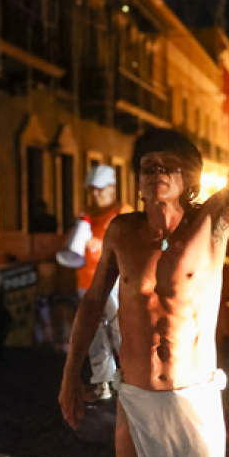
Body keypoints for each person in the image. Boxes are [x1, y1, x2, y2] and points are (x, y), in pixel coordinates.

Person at [59, 24, 229, 457]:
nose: (154, 173)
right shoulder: (121, 232)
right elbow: (91, 304)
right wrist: (70, 374)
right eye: (147, 167)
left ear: (190, 179)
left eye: (167, 168)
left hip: (193, 398)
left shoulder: (212, 225)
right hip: (136, 399)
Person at [59, 164, 128, 402]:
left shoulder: (122, 212)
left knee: (120, 331)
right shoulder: (86, 214)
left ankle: (131, 380)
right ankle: (102, 384)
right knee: (95, 334)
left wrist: (100, 242)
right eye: (92, 190)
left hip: (114, 283)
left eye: (100, 189)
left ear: (112, 188)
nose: (95, 195)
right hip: (86, 280)